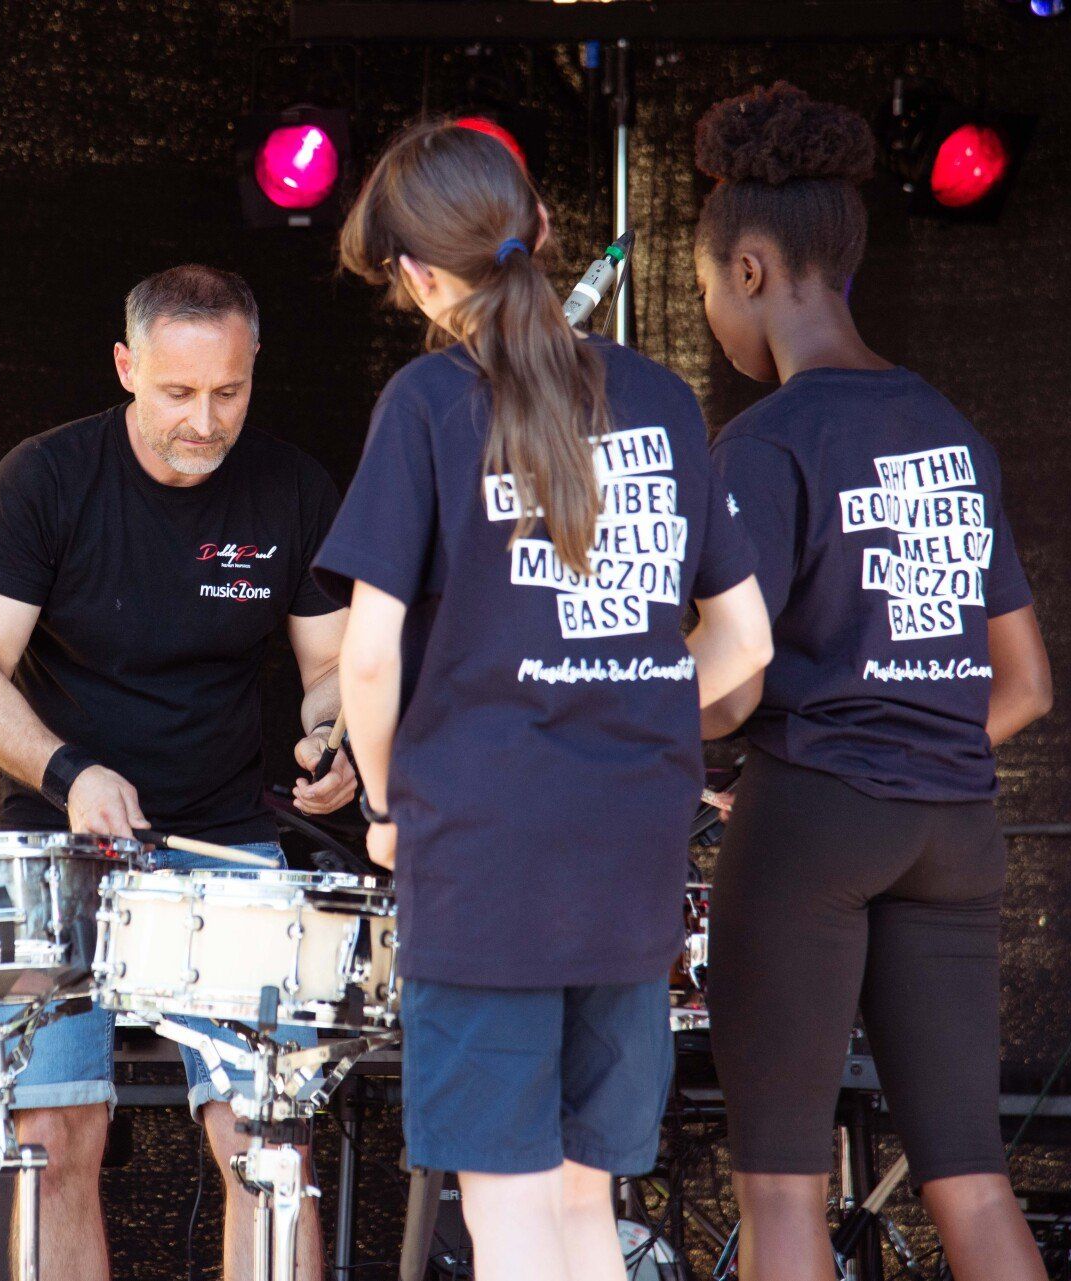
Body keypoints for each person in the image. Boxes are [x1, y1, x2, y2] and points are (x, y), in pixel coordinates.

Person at [316, 121, 773, 1281]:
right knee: (584, 1201)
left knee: (506, 1208)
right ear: (546, 232)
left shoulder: (427, 401)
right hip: (631, 843)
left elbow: (368, 660)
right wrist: (644, 715)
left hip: (484, 850)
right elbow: (746, 638)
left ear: (418, 277)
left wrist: (385, 803)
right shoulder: (663, 398)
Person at [693, 83, 1054, 1281]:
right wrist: (911, 762)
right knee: (972, 1173)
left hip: (816, 821)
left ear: (749, 269)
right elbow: (1026, 683)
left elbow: (735, 682)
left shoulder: (766, 443)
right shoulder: (950, 429)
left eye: (702, 288)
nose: (709, 314)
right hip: (955, 828)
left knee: (783, 1193)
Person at [0, 264, 357, 1281]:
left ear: (255, 368)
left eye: (228, 393)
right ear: (127, 368)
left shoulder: (294, 488)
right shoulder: (45, 478)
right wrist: (70, 771)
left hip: (226, 842)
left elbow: (330, 670)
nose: (204, 421)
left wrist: (333, 736)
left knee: (269, 1139)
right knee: (53, 1140)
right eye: (176, 393)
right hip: (54, 843)